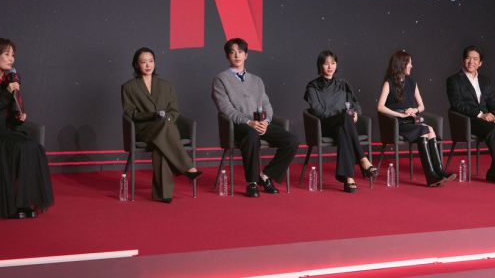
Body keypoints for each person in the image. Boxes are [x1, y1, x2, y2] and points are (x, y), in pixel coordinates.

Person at [0, 38, 54, 219]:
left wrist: (17, 118)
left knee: (34, 147)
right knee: (22, 146)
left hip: (5, 131)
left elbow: (6, 115)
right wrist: (6, 93)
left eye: (13, 55)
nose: (11, 59)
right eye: (6, 54)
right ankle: (16, 205)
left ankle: (25, 202)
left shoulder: (8, 81)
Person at [212, 38, 299, 198]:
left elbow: (267, 105)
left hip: (259, 123)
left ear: (246, 55)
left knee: (292, 141)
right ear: (227, 56)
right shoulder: (221, 79)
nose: (237, 55)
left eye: (240, 52)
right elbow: (226, 109)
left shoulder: (257, 80)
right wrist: (248, 122)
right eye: (232, 52)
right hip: (237, 125)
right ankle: (251, 183)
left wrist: (266, 122)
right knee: (251, 134)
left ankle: (265, 176)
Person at [120, 47, 202, 203]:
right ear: (136, 65)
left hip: (165, 128)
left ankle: (163, 194)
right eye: (143, 62)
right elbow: (129, 113)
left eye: (151, 61)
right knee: (164, 133)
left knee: (162, 143)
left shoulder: (166, 85)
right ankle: (188, 166)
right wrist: (153, 115)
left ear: (155, 63)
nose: (148, 65)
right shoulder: (128, 87)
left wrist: (166, 118)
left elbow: (174, 111)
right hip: (144, 130)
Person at [304, 50, 378, 192]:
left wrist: (355, 113)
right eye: (326, 64)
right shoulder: (312, 86)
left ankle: (349, 178)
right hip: (324, 125)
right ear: (320, 65)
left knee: (343, 128)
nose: (330, 67)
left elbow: (355, 104)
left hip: (343, 125)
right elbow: (317, 111)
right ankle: (363, 159)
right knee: (344, 118)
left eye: (333, 63)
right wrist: (342, 114)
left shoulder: (343, 84)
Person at [377, 50, 454, 187]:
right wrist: (400, 115)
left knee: (430, 130)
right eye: (409, 63)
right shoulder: (389, 83)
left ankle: (438, 172)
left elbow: (422, 106)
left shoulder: (412, 82)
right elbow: (380, 107)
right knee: (425, 130)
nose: (411, 66)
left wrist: (415, 110)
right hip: (396, 123)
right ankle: (431, 176)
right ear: (401, 64)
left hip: (410, 120)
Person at [446, 45, 495, 186]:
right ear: (463, 60)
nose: (471, 62)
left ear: (480, 63)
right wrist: (481, 115)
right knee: (494, 130)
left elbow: (491, 101)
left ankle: (493, 171)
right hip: (468, 120)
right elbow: (457, 105)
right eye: (468, 58)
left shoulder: (485, 80)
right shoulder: (453, 80)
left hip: (487, 118)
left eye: (475, 59)